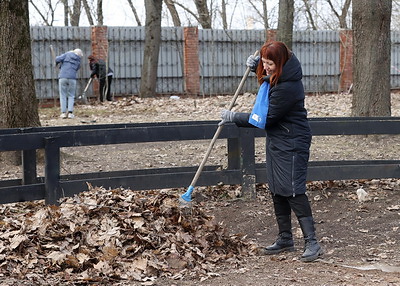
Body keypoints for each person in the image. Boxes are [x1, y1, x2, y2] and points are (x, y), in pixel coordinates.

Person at [220, 41, 323, 262]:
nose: (266, 68)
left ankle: (312, 242)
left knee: (293, 189)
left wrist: (234, 117)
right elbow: (266, 79)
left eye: (269, 63)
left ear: (281, 63)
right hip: (279, 139)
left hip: (293, 141)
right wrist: (257, 63)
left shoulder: (289, 86)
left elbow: (265, 118)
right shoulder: (280, 74)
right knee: (277, 188)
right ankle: (285, 238)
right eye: (264, 62)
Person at [55, 48, 83, 119]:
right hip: (72, 78)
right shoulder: (78, 60)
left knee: (63, 95)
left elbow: (57, 59)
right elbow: (77, 68)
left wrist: (60, 65)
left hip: (63, 77)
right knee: (71, 95)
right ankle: (70, 113)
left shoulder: (67, 54)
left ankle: (63, 113)